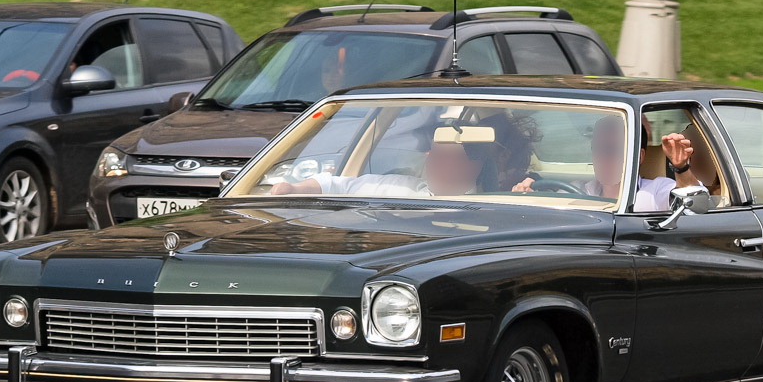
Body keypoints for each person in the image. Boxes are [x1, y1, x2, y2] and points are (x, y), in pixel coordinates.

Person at [512, 115, 701, 210]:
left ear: (639, 157)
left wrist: (681, 168)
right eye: (598, 149)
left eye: (613, 150)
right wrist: (527, 198)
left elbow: (697, 203)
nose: (603, 158)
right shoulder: (576, 191)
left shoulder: (655, 191)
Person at [268, 139, 491, 199]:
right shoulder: (403, 188)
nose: (432, 163)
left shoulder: (494, 202)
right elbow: (335, 185)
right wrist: (291, 188)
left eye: (445, 157)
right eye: (432, 154)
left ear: (472, 166)